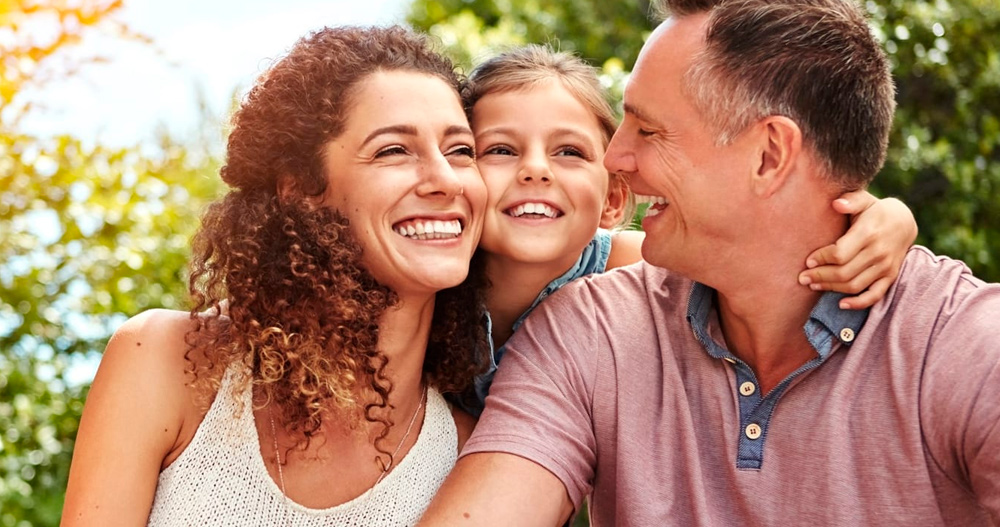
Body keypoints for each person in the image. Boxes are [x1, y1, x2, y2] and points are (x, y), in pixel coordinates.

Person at [421, 1, 1000, 525]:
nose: (618, 159)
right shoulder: (590, 327)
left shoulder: (965, 348)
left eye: (649, 130)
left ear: (770, 155)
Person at [62, 25, 488, 525]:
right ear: (301, 191)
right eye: (394, 150)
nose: (445, 179)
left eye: (461, 151)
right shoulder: (169, 363)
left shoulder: (470, 453)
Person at [457, 43, 917, 416]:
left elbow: (764, 250)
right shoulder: (430, 276)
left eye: (569, 153)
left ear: (614, 200)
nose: (535, 170)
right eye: (499, 150)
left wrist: (885, 218)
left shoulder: (623, 265)